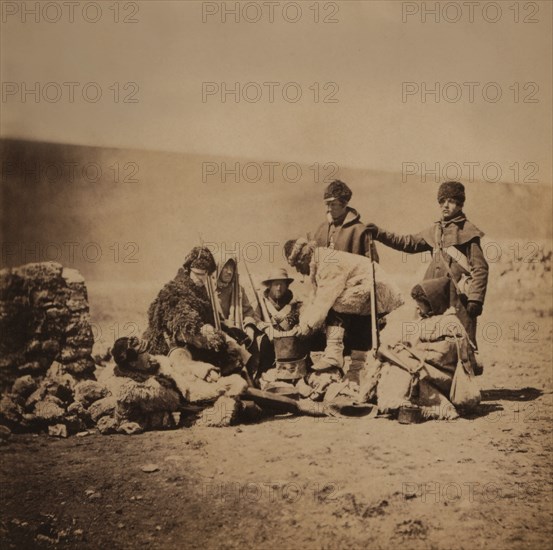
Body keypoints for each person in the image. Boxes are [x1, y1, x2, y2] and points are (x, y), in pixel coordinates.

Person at [366, 181, 488, 354]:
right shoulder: (435, 231)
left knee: (460, 343)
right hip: (433, 295)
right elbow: (408, 243)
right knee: (427, 340)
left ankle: (461, 379)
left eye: (451, 201)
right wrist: (380, 234)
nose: (445, 205)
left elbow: (480, 268)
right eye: (442, 200)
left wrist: (475, 299)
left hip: (456, 299)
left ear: (460, 204)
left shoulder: (468, 231)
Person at [283, 239, 403, 385]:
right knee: (344, 310)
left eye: (297, 265)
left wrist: (308, 327)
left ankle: (334, 354)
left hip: (378, 289)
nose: (298, 271)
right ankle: (354, 368)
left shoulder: (328, 263)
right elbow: (314, 299)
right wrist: (303, 323)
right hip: (365, 287)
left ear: (304, 257)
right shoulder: (319, 262)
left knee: (336, 303)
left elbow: (324, 300)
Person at [360, 278, 481, 420]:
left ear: (432, 303)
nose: (417, 308)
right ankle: (377, 399)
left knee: (401, 371)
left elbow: (441, 356)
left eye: (420, 304)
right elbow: (411, 343)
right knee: (389, 362)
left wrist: (407, 353)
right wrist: (400, 350)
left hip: (444, 376)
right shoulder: (426, 320)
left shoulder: (451, 324)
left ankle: (421, 407)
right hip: (425, 368)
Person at [143, 246, 243, 376]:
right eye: (197, 274)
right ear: (188, 269)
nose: (201, 278)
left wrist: (225, 334)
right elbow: (183, 318)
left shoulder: (201, 290)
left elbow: (210, 316)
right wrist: (203, 329)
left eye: (205, 274)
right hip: (170, 344)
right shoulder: (175, 289)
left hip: (193, 340)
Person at [313, 179, 379, 260]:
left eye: (333, 204)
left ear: (344, 204)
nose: (329, 208)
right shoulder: (321, 229)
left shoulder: (360, 231)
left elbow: (373, 266)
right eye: (327, 204)